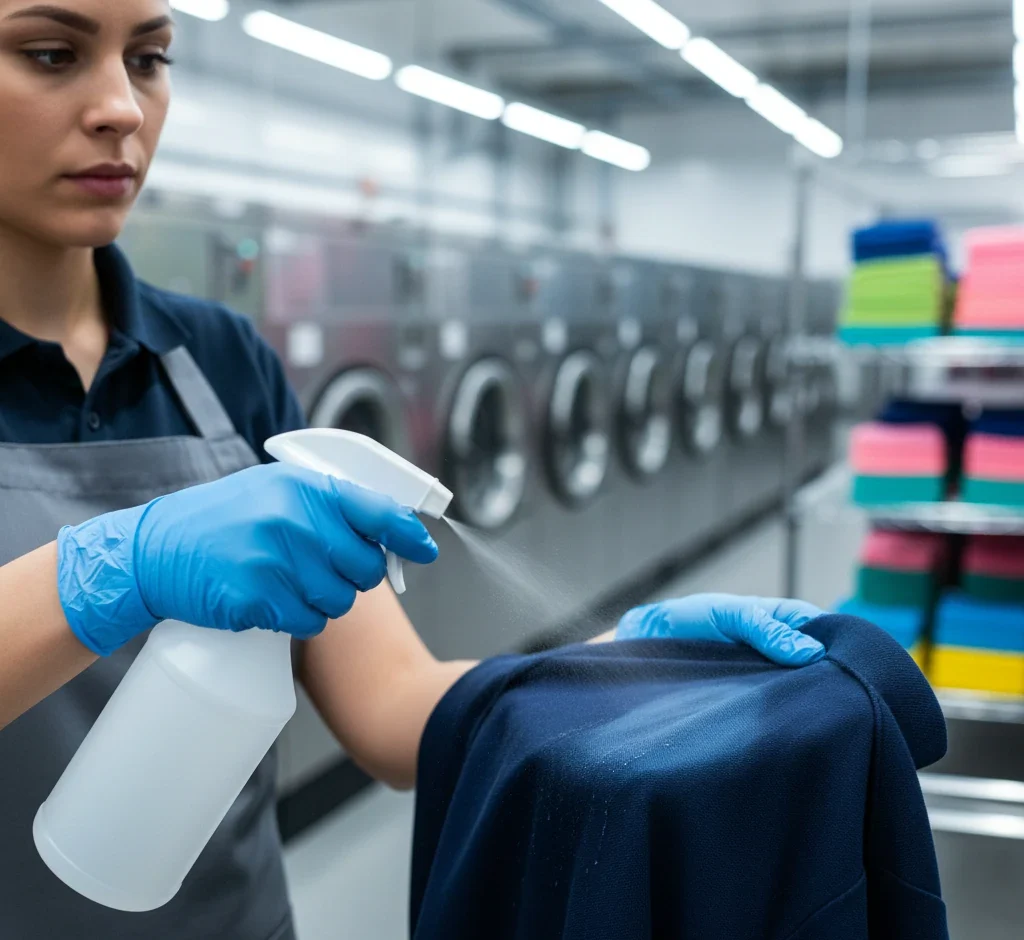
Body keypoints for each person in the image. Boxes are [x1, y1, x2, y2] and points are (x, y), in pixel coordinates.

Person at [0, 2, 825, 938]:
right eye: (50, 54)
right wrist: (110, 571)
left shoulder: (222, 358)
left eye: (150, 58)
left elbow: (394, 709)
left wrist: (626, 666)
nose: (122, 106)